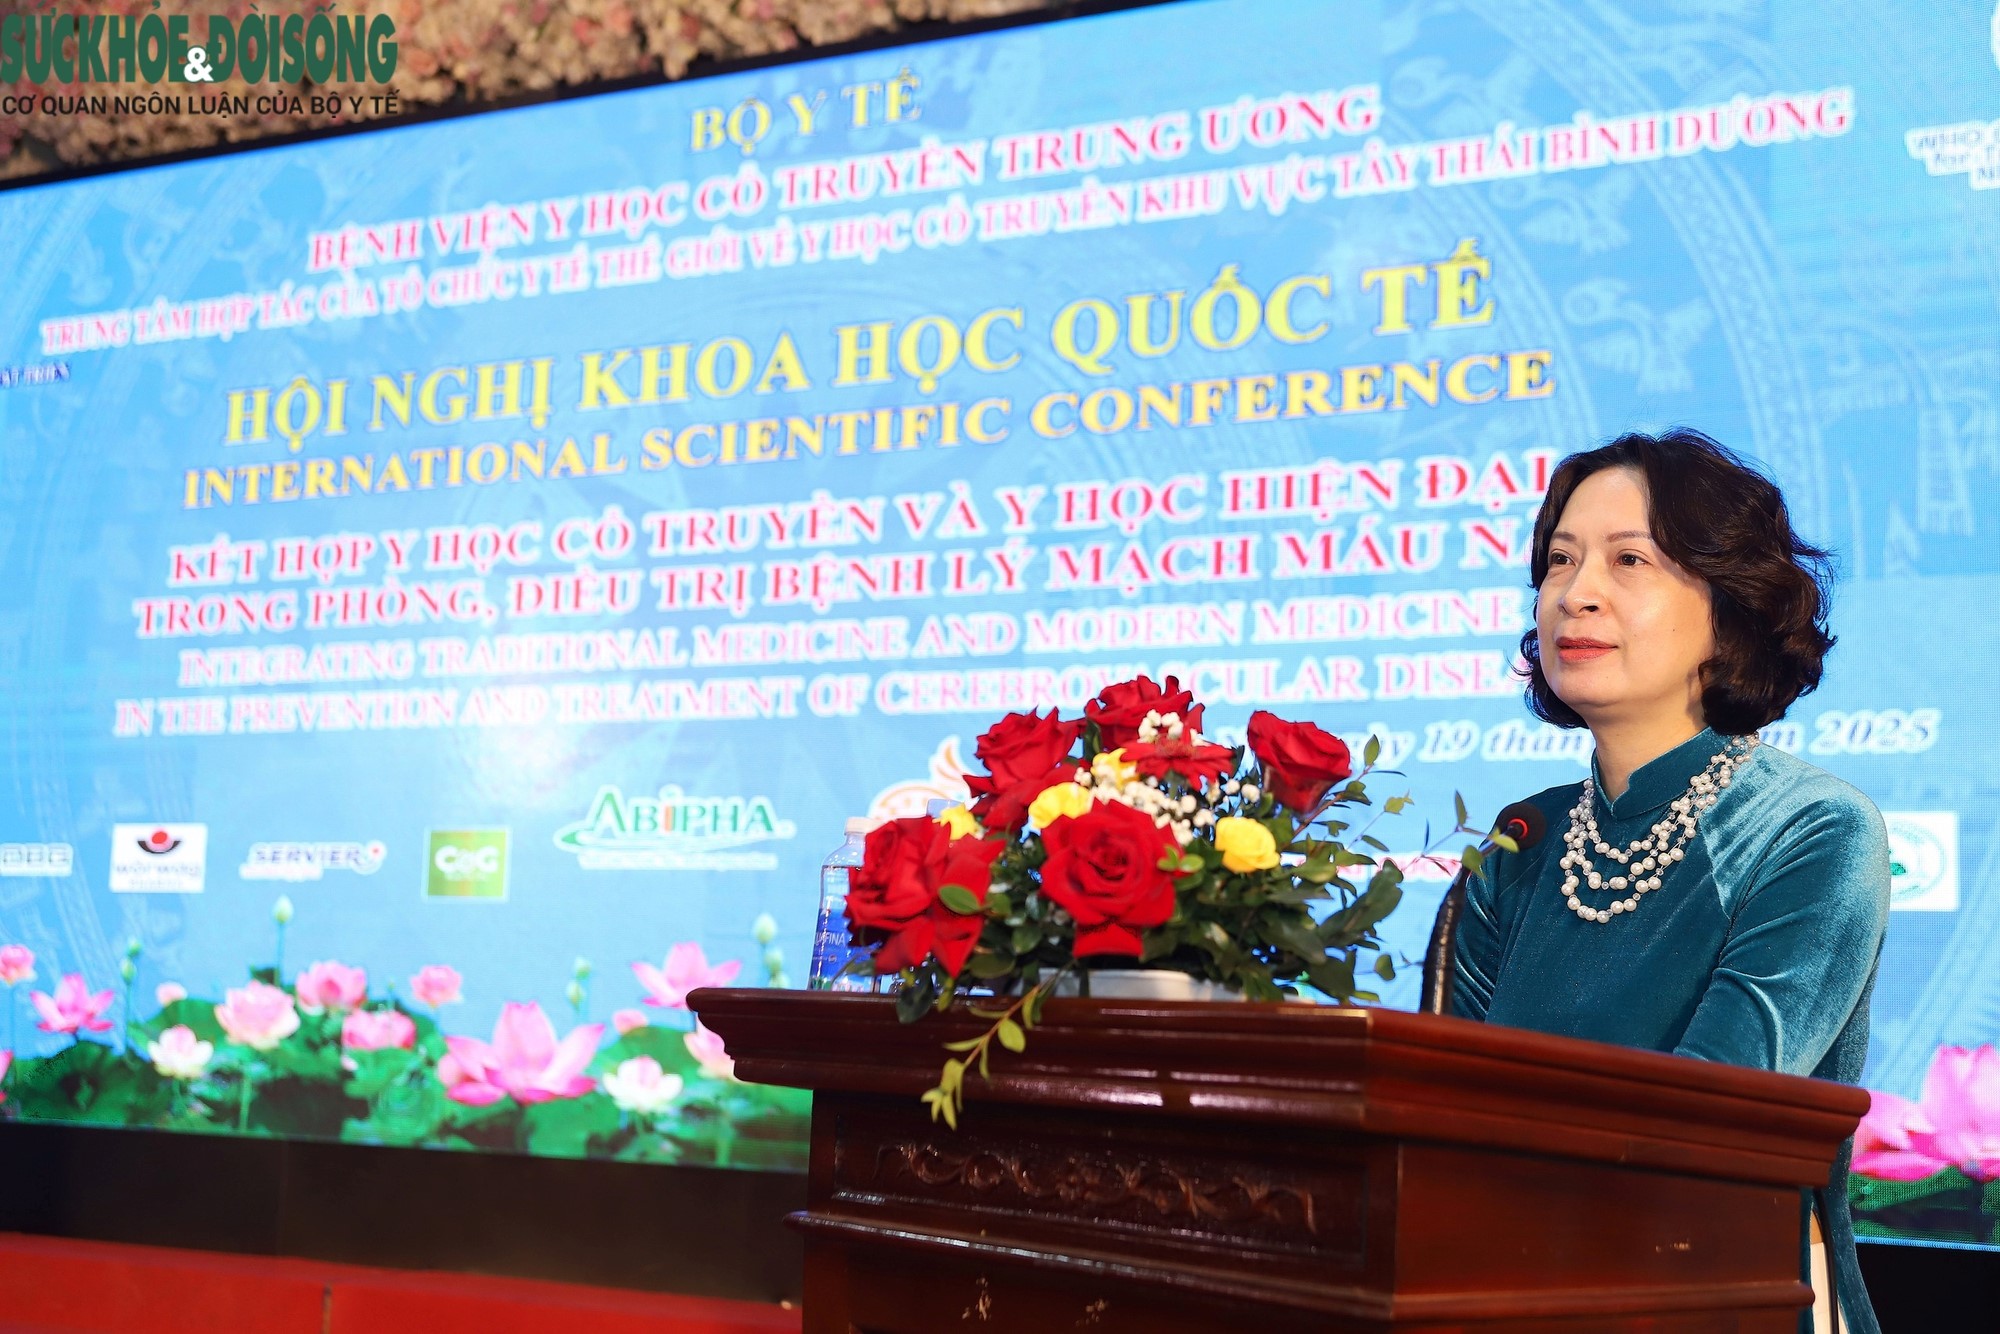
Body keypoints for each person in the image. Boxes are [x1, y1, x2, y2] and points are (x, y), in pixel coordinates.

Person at [1450, 428, 1889, 1334]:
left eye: (1630, 560)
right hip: (1509, 1294)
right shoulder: (1523, 842)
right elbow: (1444, 1121)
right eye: (1560, 560)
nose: (1577, 593)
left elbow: (1706, 1123)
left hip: (1723, 1300)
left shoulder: (1812, 829)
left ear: (1728, 608)